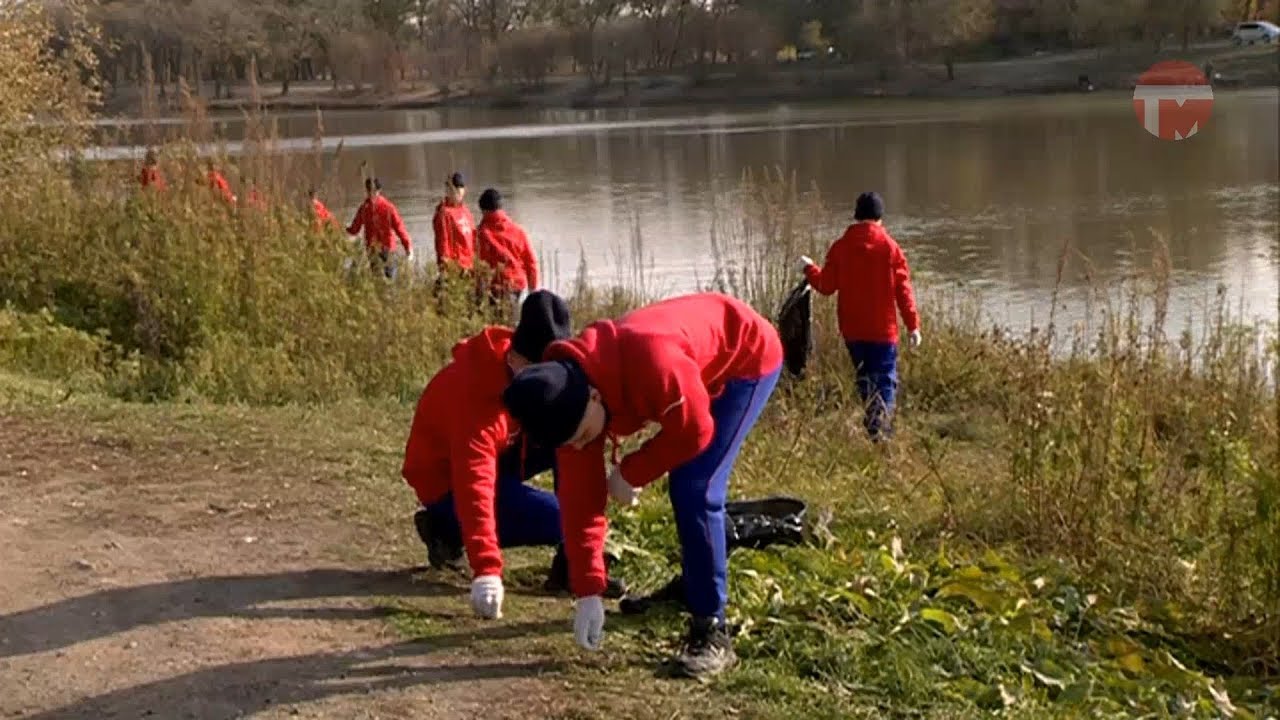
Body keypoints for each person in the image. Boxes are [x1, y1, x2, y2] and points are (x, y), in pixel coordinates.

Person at [501, 292, 783, 678]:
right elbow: (581, 501)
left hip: (745, 358)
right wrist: (588, 590)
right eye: (574, 444)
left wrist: (631, 472)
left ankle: (712, 629)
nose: (582, 446)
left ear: (596, 396)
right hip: (690, 370)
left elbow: (695, 430)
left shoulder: (651, 363)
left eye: (585, 436)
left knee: (695, 487)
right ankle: (693, 581)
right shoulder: (565, 407)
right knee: (686, 483)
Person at [402, 290, 626, 619]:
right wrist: (487, 571)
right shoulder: (476, 397)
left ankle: (569, 569)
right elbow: (473, 483)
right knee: (558, 519)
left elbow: (581, 441)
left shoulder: (535, 379)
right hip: (447, 482)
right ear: (519, 361)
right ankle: (444, 526)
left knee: (567, 429)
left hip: (505, 457)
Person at [799, 191, 920, 441]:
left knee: (864, 377)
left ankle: (872, 425)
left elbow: (825, 285)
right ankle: (880, 432)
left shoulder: (841, 246)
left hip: (852, 331)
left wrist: (809, 268)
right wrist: (913, 326)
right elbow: (903, 291)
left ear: (856, 216)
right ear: (879, 218)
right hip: (882, 330)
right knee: (885, 380)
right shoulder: (890, 248)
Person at [474, 188, 538, 316]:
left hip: (497, 286)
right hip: (517, 284)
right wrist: (533, 290)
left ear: (484, 211)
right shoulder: (518, 230)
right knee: (511, 317)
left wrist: (478, 292)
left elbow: (479, 264)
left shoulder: (482, 233)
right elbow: (531, 262)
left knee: (500, 323)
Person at [347, 177, 413, 279]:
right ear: (379, 190)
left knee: (378, 280)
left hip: (374, 249)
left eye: (371, 190)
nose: (370, 193)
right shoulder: (387, 207)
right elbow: (399, 228)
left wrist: (342, 230)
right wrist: (408, 247)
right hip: (387, 248)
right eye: (369, 190)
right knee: (390, 280)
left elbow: (354, 229)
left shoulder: (365, 208)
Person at [431, 172, 476, 290]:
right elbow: (443, 242)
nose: (457, 193)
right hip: (456, 268)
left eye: (460, 189)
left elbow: (473, 236)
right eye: (453, 190)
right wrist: (448, 266)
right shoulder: (444, 214)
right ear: (448, 191)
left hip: (469, 267)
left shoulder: (466, 211)